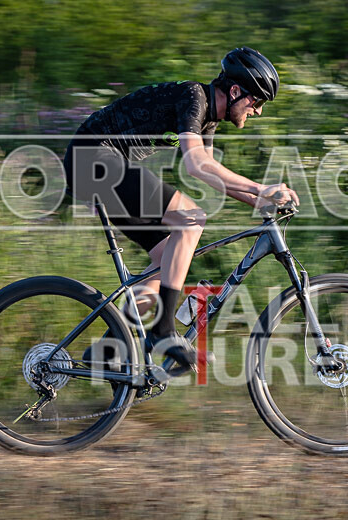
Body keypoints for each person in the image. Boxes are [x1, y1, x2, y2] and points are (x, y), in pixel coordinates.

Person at [63, 47, 299, 374]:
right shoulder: (194, 97)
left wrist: (260, 203)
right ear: (234, 91)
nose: (257, 111)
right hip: (94, 159)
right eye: (256, 101)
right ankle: (162, 334)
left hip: (98, 166)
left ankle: (109, 346)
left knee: (166, 262)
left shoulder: (208, 121)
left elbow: (211, 174)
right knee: (191, 220)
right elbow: (196, 164)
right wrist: (261, 188)